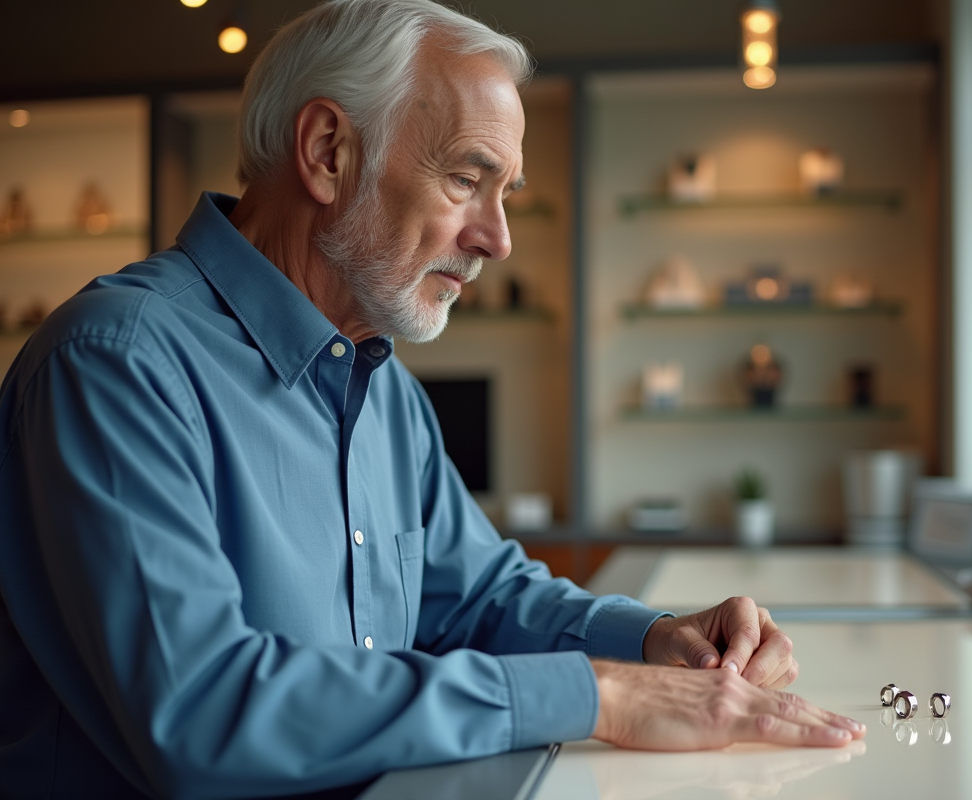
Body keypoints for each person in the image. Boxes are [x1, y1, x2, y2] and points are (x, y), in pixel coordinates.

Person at [0, 1, 865, 797]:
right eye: (466, 178)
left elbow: (477, 597)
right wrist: (594, 693)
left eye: (505, 192)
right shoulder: (114, 364)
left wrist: (652, 642)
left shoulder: (386, 392)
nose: (497, 237)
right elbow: (199, 709)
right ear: (329, 153)